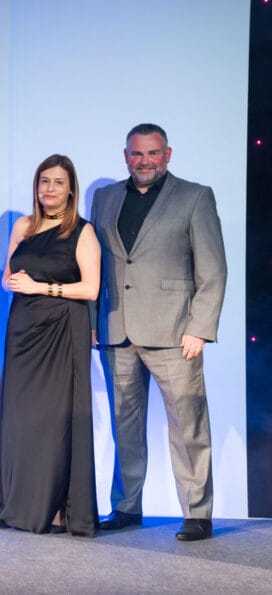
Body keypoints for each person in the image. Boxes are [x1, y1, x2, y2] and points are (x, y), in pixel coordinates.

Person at [92, 123, 227, 542]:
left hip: (175, 332)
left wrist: (200, 328)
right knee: (123, 427)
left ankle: (197, 513)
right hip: (116, 331)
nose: (144, 161)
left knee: (188, 426)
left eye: (153, 154)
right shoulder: (105, 197)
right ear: (125, 155)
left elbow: (213, 269)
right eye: (137, 154)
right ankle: (127, 507)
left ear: (167, 154)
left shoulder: (195, 196)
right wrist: (94, 322)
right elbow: (96, 265)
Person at [0, 154, 101, 536]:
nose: (49, 188)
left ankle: (55, 510)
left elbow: (91, 288)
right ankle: (15, 504)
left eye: (58, 182)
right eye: (44, 181)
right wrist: (17, 283)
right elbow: (7, 279)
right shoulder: (24, 225)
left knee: (53, 422)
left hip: (62, 331)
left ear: (70, 189)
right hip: (23, 330)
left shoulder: (82, 231)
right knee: (18, 420)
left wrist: (41, 287)